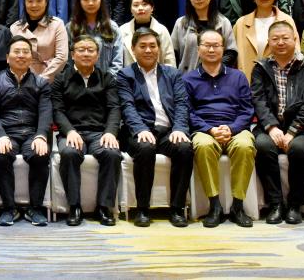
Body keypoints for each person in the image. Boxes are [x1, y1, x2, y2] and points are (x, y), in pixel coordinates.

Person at [115, 27, 192, 227]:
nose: (148, 50)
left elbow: (182, 104)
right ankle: (142, 209)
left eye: (152, 46)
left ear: (159, 48)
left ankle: (177, 209)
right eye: (143, 46)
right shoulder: (125, 75)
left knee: (184, 148)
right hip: (139, 131)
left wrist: (179, 128)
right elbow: (127, 106)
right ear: (133, 49)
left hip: (168, 131)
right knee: (145, 148)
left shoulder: (173, 74)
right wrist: (141, 129)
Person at [251, 21, 304, 225]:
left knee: (299, 149)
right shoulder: (261, 68)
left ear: (295, 39)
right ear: (269, 42)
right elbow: (258, 101)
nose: (281, 42)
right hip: (270, 126)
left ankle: (294, 205)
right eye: (275, 39)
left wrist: (292, 131)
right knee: (262, 145)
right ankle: (275, 204)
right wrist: (271, 127)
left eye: (285, 38)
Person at [184, 28, 257, 228]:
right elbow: (188, 112)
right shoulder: (188, 79)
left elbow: (247, 110)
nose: (211, 50)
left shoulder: (238, 76)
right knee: (203, 145)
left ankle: (237, 206)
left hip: (235, 128)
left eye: (216, 45)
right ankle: (214, 205)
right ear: (198, 49)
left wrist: (232, 129)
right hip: (205, 130)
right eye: (207, 45)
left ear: (223, 49)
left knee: (245, 146)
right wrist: (210, 130)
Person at [51, 36, 122, 226]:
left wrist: (110, 132)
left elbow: (114, 108)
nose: (86, 53)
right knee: (69, 152)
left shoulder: (107, 78)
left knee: (112, 153)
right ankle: (74, 206)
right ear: (72, 55)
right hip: (72, 132)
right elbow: (57, 110)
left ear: (97, 56)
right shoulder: (61, 79)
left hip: (100, 133)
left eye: (91, 50)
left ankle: (104, 207)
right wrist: (69, 131)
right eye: (81, 50)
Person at [0, 35, 52, 227]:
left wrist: (41, 135)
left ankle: (35, 208)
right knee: (0, 154)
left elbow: (46, 112)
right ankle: (9, 208)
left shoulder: (41, 83)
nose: (21, 55)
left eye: (25, 52)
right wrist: (0, 135)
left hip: (32, 133)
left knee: (40, 154)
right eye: (16, 52)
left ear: (31, 58)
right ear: (7, 57)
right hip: (7, 133)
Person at [233, 0, 297, 79]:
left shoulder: (287, 21)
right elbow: (233, 58)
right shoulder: (241, 23)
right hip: (247, 82)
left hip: (280, 82)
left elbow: (296, 55)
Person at [171, 0, 238, 73]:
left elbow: (231, 52)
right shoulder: (181, 23)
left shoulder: (223, 22)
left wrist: (214, 69)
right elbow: (173, 54)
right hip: (186, 77)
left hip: (217, 76)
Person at [9, 0, 69, 82]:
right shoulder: (15, 28)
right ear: (24, 2)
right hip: (22, 81)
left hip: (51, 80)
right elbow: (13, 59)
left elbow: (62, 57)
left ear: (46, 2)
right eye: (30, 1)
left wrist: (41, 80)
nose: (34, 5)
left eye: (39, 0)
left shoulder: (57, 24)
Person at [67, 0, 123, 74]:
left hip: (107, 80)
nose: (90, 3)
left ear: (101, 0)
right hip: (77, 81)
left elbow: (117, 62)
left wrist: (105, 80)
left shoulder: (112, 27)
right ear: (79, 2)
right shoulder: (71, 28)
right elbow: (68, 62)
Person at [118, 0, 176, 68]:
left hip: (157, 75)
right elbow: (118, 60)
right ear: (131, 10)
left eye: (144, 4)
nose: (140, 8)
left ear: (152, 8)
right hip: (129, 75)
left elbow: (169, 60)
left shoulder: (162, 30)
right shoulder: (122, 30)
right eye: (136, 5)